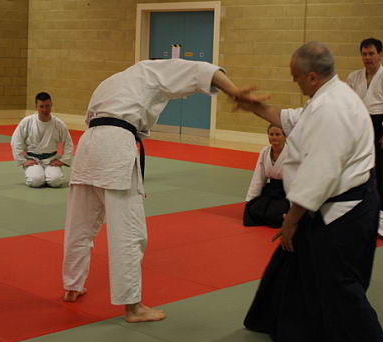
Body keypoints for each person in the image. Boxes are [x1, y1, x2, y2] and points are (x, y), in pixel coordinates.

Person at [240, 43, 383, 342]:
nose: (294, 82)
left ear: (312, 76)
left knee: (340, 288)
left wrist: (291, 220)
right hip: (342, 201)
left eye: (296, 77)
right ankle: (269, 319)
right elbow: (291, 118)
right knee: (291, 260)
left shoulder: (332, 109)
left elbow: (320, 175)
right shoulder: (331, 95)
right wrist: (252, 105)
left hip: (342, 211)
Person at [62, 58, 257, 323]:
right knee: (129, 232)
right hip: (115, 146)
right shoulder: (150, 71)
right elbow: (200, 71)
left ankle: (72, 285)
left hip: (88, 145)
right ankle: (133, 307)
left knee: (80, 224)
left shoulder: (110, 81)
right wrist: (234, 91)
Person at [345, 38, 383, 211]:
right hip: (359, 125)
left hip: (381, 125)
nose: (367, 58)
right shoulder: (353, 77)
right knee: (359, 165)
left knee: (382, 167)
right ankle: (360, 203)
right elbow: (347, 103)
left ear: (380, 54)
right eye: (364, 54)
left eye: (371, 53)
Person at [11, 92, 73, 188]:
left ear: (51, 105)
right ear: (36, 106)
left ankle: (46, 175)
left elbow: (68, 143)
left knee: (56, 182)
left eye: (47, 106)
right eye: (41, 106)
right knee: (36, 181)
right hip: (33, 159)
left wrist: (62, 160)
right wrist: (23, 161)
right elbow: (16, 141)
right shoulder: (27, 121)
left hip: (51, 160)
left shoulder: (58, 124)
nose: (45, 110)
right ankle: (39, 175)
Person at [243, 123, 288, 228]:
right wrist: (250, 199)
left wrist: (294, 205)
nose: (274, 137)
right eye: (271, 134)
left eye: (278, 134)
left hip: (287, 192)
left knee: (275, 215)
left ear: (285, 136)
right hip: (271, 190)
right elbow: (258, 177)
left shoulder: (291, 153)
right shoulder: (265, 151)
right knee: (253, 210)